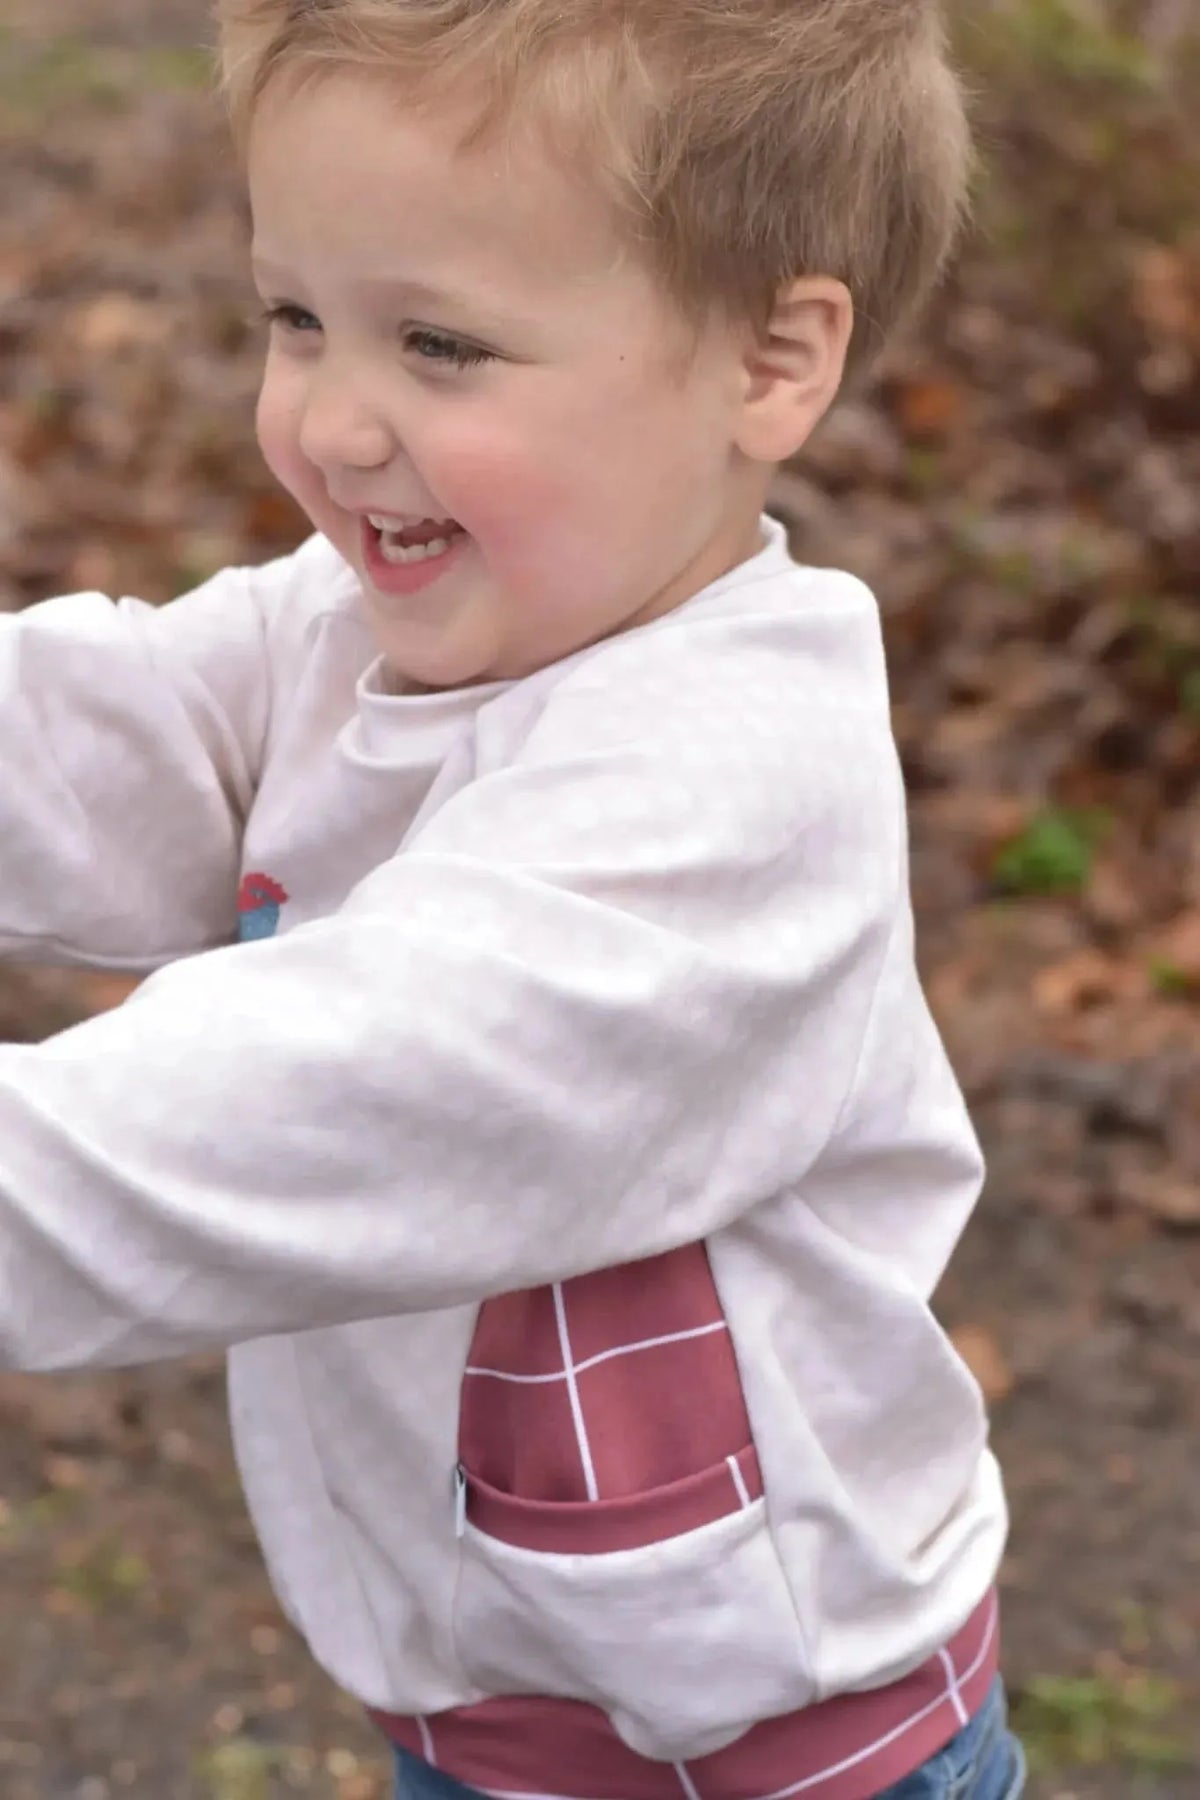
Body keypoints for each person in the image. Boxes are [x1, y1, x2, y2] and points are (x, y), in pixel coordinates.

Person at [0, 2, 1026, 1796]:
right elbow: (98, 747)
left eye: (442, 345)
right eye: (295, 317)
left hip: (777, 1764)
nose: (329, 420)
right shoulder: (360, 633)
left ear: (770, 360)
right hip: (487, 1720)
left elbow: (306, 1103)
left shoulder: (723, 798)